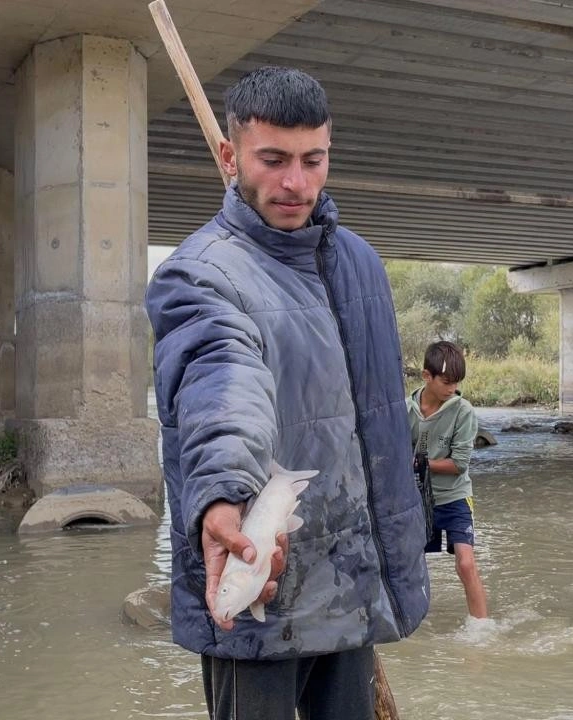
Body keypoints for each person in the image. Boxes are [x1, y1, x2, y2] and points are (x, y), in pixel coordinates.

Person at [145, 66, 430, 720]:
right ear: (229, 155)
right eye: (272, 160)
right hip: (257, 584)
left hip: (354, 578)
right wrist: (220, 495)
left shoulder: (359, 263)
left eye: (313, 159)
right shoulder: (198, 273)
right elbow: (220, 379)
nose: (295, 182)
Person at [408, 341, 488, 620]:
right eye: (446, 382)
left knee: (466, 564)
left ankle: (481, 628)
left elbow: (458, 464)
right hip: (418, 499)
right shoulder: (406, 409)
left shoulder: (463, 411)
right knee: (410, 564)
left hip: (455, 496)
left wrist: (420, 463)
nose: (452, 389)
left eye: (456, 383)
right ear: (426, 376)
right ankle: (412, 622)